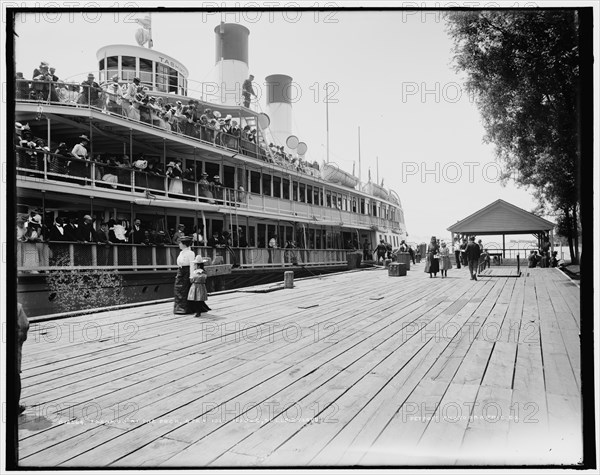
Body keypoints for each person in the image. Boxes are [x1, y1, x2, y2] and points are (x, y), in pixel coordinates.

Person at [174, 236, 196, 314]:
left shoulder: (191, 253)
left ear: (184, 244)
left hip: (187, 272)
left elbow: (192, 265)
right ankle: (178, 308)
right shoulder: (181, 252)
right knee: (178, 289)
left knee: (184, 290)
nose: (179, 244)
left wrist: (191, 276)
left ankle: (185, 308)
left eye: (180, 243)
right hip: (180, 271)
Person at [16, 302, 30, 415]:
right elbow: (24, 326)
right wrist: (19, 341)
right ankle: (14, 406)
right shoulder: (16, 306)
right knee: (14, 375)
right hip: (11, 348)